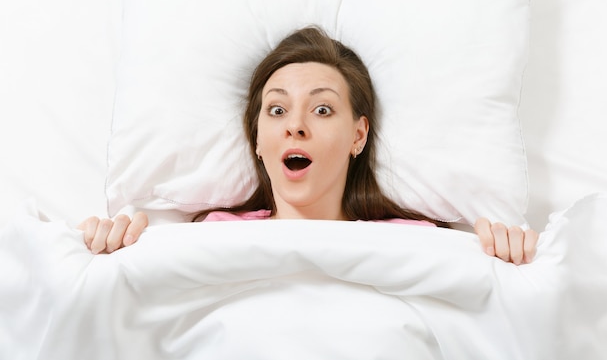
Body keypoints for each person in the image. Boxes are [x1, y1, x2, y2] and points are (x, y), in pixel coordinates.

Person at [79, 26, 538, 265]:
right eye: (277, 111)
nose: (294, 127)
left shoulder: (417, 240)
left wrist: (506, 260)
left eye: (321, 110)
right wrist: (108, 260)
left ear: (358, 135)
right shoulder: (211, 233)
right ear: (257, 139)